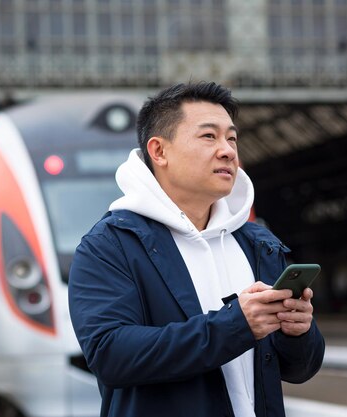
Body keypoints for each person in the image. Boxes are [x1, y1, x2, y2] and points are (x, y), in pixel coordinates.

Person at [68, 81, 325, 417]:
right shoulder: (109, 246)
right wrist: (237, 325)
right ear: (159, 151)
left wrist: (299, 332)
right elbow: (111, 355)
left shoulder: (256, 243)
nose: (228, 151)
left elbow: (300, 369)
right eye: (209, 136)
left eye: (232, 138)